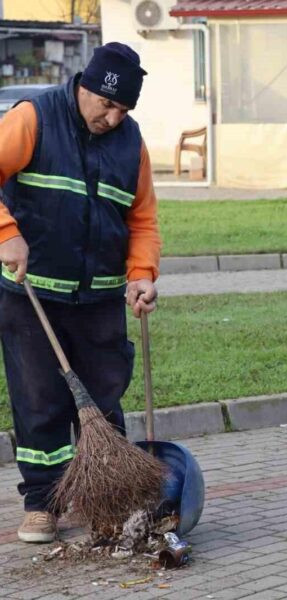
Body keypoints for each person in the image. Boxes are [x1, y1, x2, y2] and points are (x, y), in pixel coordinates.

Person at [0, 42, 161, 543]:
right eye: (106, 104)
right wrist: (7, 234)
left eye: (123, 110)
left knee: (104, 402)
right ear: (85, 87)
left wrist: (141, 273)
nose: (112, 118)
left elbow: (142, 218)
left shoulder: (131, 143)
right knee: (40, 401)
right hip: (33, 296)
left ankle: (107, 499)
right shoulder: (34, 118)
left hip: (100, 299)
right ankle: (42, 504)